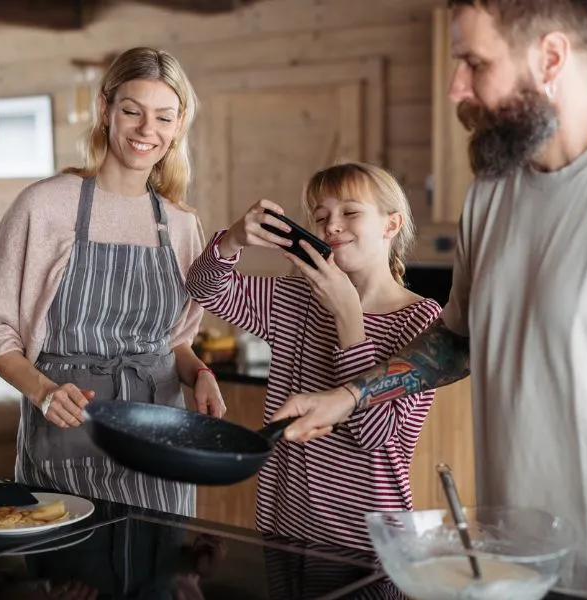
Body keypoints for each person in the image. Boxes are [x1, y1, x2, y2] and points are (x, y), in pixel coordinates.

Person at [271, 1, 587, 598]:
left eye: (474, 63)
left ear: (551, 57)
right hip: (509, 569)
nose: (455, 88)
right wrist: (350, 395)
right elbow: (456, 338)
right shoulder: (491, 193)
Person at [0, 47, 226, 516]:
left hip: (160, 443)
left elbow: (174, 341)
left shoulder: (181, 224)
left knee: (159, 559)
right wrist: (42, 391)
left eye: (164, 117)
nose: (147, 130)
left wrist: (201, 374)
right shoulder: (44, 207)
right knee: (68, 559)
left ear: (179, 124)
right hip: (67, 435)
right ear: (105, 108)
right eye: (133, 111)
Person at [185, 162, 442, 551]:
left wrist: (348, 318)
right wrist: (232, 240)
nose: (332, 226)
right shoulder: (296, 299)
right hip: (284, 525)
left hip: (369, 541)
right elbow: (203, 288)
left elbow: (373, 434)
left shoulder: (421, 319)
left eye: (350, 212)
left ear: (391, 225)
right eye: (321, 218)